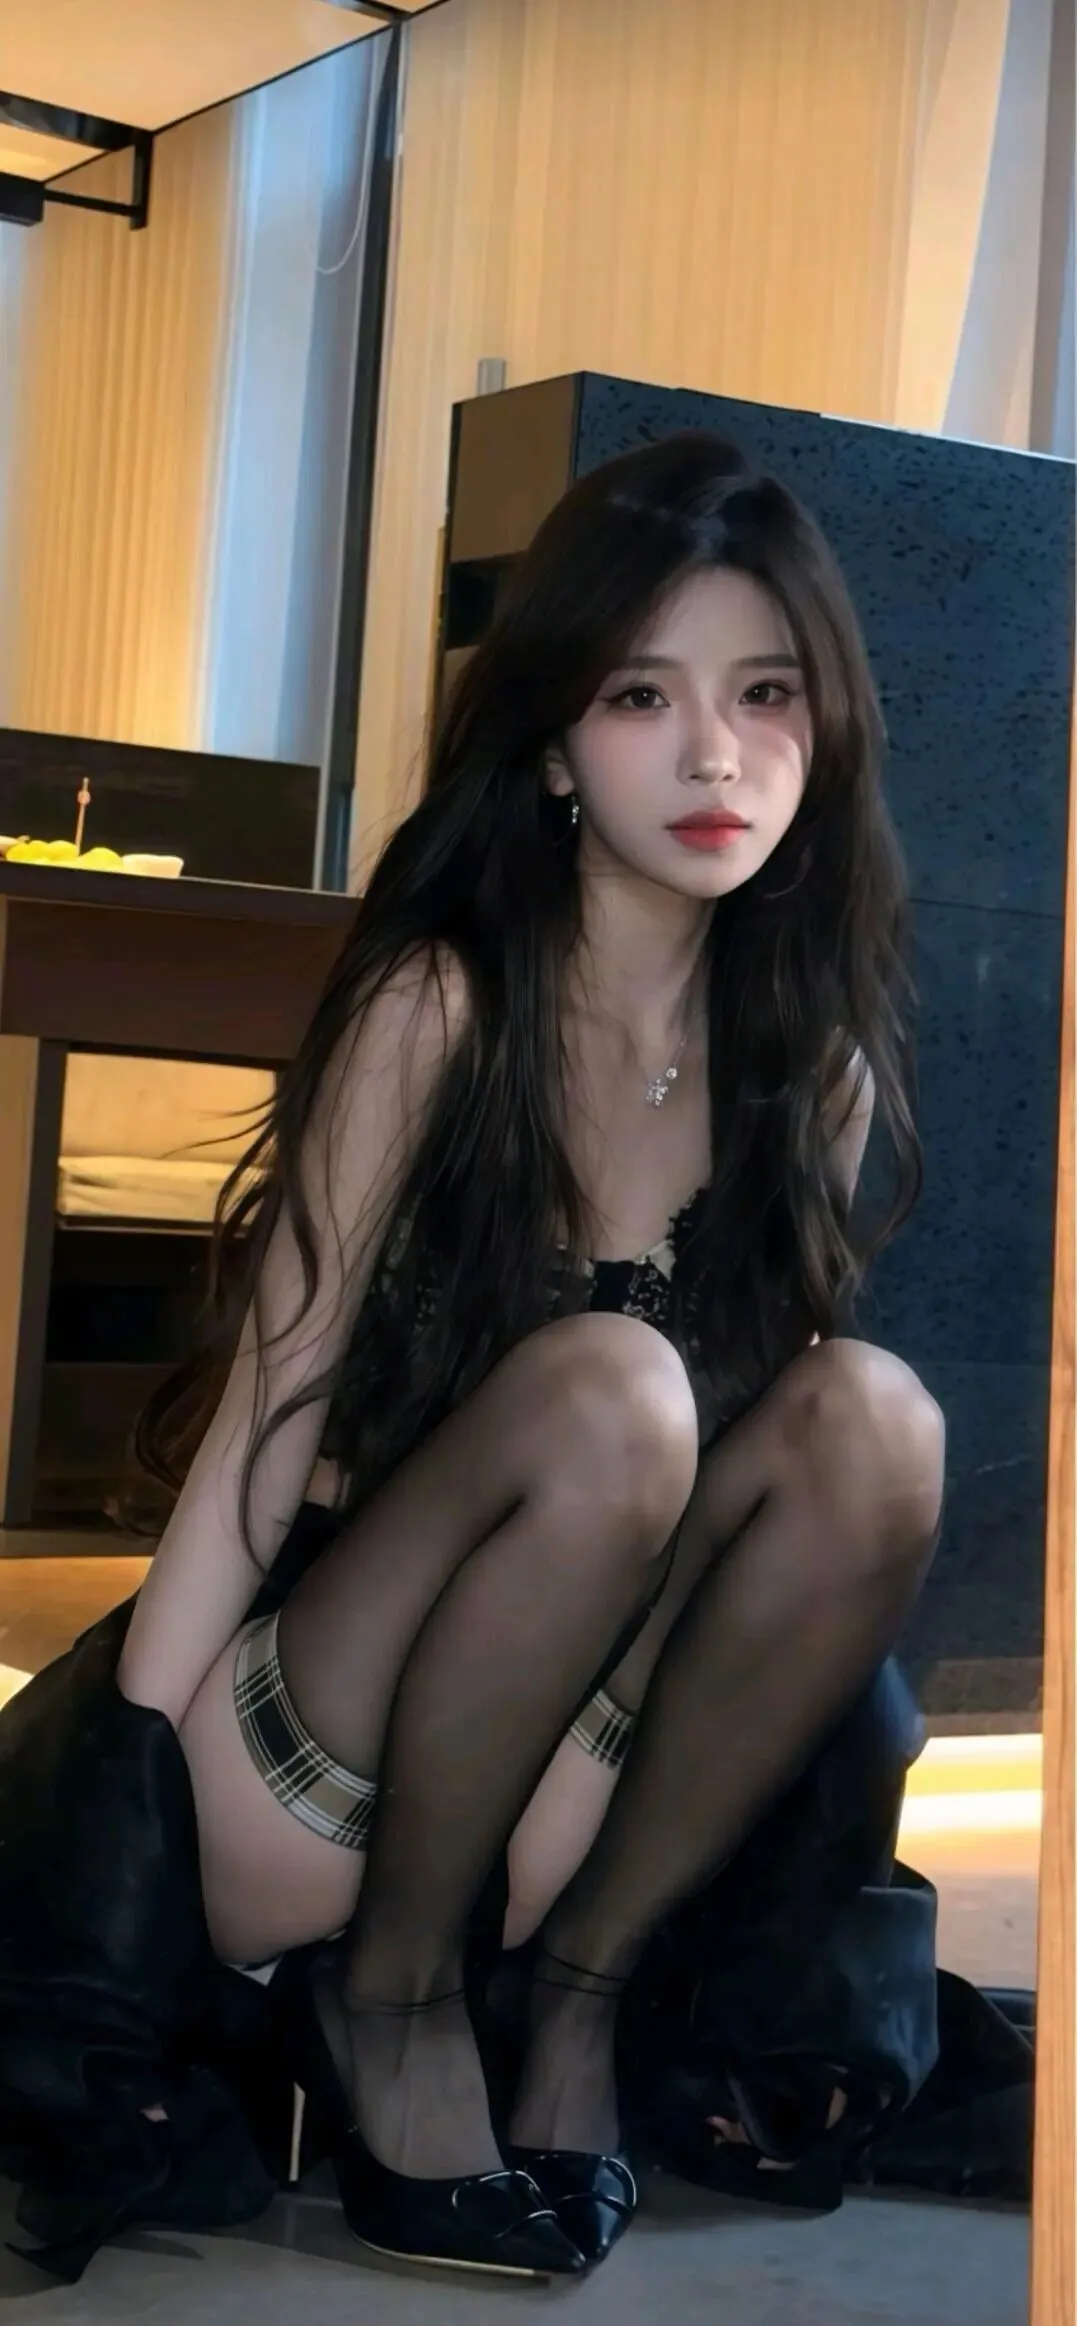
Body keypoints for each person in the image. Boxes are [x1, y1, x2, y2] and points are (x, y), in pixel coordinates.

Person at [0, 433, 946, 2283]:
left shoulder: (806, 1061)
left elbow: (768, 1491)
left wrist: (623, 1783)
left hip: (571, 1764)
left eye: (765, 694)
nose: (714, 756)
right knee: (616, 1386)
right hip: (329, 1749)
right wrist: (128, 1815)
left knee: (876, 1416)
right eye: (643, 697)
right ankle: (392, 1998)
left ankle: (572, 1993)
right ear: (555, 745)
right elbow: (271, 1412)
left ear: (827, 727)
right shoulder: (446, 1001)